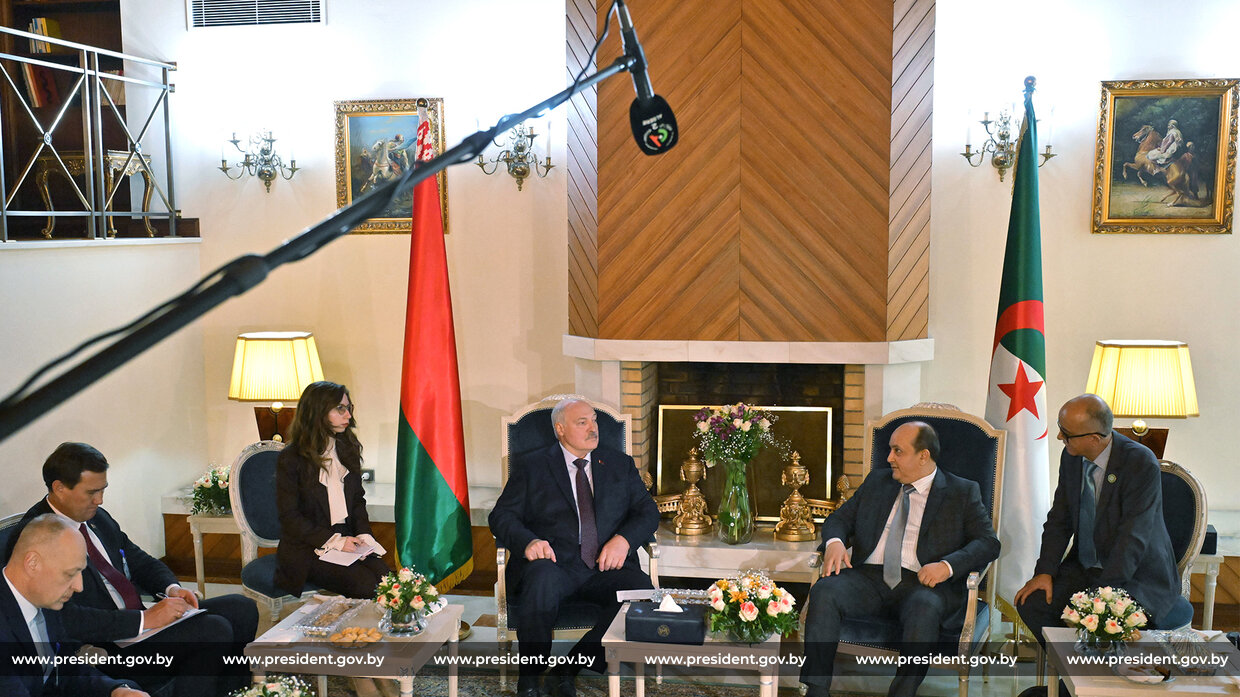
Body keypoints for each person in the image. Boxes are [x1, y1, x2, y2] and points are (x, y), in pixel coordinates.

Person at [4, 442, 257, 697]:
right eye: (91, 492)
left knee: (241, 607)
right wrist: (144, 620)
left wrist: (171, 588)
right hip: (107, 644)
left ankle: (235, 693)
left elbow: (138, 560)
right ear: (59, 488)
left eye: (103, 490)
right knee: (213, 630)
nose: (100, 500)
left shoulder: (98, 517)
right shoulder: (35, 536)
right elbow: (64, 619)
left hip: (138, 623)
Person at [800, 421, 1000, 697]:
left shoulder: (961, 491)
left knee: (924, 607)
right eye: (890, 450)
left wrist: (947, 566)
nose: (888, 458)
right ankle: (816, 690)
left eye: (898, 451)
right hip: (869, 578)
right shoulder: (877, 481)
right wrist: (834, 543)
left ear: (923, 456)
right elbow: (839, 519)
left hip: (924, 583)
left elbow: (988, 543)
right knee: (825, 591)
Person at [489, 398, 659, 697]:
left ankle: (569, 668)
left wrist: (623, 540)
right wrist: (528, 542)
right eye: (582, 422)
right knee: (540, 580)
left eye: (594, 420)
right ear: (560, 429)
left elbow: (648, 512)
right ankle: (530, 679)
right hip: (554, 564)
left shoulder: (619, 464)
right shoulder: (533, 465)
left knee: (642, 593)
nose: (593, 428)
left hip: (606, 566)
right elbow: (501, 516)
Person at [1016, 394, 1181, 645]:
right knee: (1034, 603)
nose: (1059, 437)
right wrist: (1045, 571)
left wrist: (1100, 598)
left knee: (1104, 621)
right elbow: (1059, 519)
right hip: (1085, 567)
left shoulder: (1139, 462)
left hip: (1136, 574)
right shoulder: (1071, 456)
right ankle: (1069, 668)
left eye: (1066, 433)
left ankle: (1096, 668)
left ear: (1094, 438)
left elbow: (1133, 537)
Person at [1, 514, 149, 697]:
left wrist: (116, 690)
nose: (79, 587)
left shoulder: (44, 600)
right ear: (33, 563)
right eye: (70, 574)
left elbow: (65, 670)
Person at [274, 381, 391, 598]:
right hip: (308, 548)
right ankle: (354, 623)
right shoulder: (291, 458)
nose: (348, 415)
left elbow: (357, 502)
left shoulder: (348, 448)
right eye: (340, 409)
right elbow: (290, 518)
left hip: (347, 540)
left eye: (348, 408)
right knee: (365, 584)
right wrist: (335, 541)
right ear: (317, 412)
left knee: (388, 579)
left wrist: (363, 535)